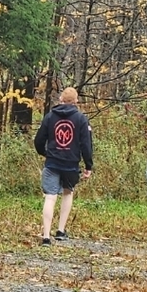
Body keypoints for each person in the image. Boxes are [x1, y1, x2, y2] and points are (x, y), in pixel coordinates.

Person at [34, 87, 93, 245]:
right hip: (71, 164)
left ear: (61, 99)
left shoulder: (50, 116)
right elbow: (86, 145)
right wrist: (88, 165)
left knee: (50, 197)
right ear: (76, 101)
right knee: (68, 193)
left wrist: (45, 153)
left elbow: (39, 140)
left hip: (52, 162)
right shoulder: (81, 119)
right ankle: (60, 231)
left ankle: (46, 237)